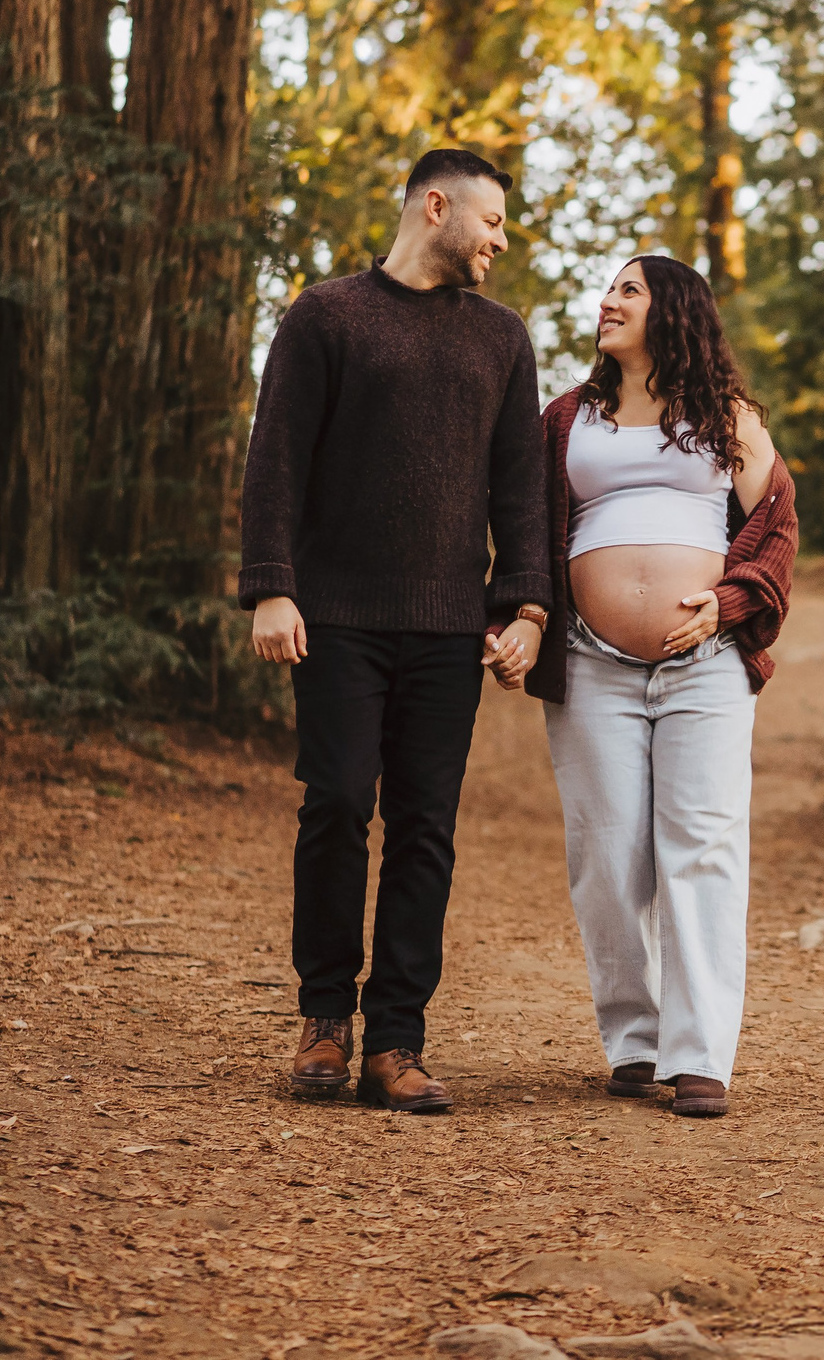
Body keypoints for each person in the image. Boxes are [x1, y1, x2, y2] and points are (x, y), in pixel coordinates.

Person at [237, 148, 550, 1115]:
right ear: (435, 204)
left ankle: (398, 1039)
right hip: (335, 618)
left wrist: (526, 607)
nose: (501, 240)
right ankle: (325, 1019)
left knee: (426, 827)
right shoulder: (327, 315)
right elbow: (276, 458)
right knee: (335, 802)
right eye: (491, 221)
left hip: (449, 626)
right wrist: (271, 588)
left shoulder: (503, 339)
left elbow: (520, 489)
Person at [515, 255, 797, 1119]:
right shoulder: (567, 418)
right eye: (608, 289)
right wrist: (518, 616)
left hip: (704, 664)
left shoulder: (727, 418)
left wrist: (725, 604)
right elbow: (528, 527)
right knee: (607, 850)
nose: (608, 301)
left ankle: (700, 1051)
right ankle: (635, 1038)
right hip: (591, 659)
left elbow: (776, 526)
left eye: (628, 290)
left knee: (702, 844)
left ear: (673, 310)